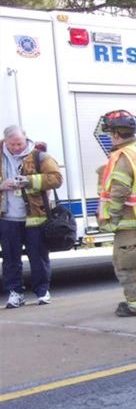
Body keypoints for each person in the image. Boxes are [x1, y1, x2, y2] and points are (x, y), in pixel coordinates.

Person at [96, 110, 136, 317]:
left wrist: (112, 216)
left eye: (109, 133)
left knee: (130, 266)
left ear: (115, 134)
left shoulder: (123, 157)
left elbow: (120, 189)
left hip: (129, 221)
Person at [1, 125, 63, 308]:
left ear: (25, 138)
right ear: (5, 141)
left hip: (35, 216)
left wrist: (30, 181)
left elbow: (56, 178)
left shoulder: (38, 156)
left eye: (19, 143)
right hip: (7, 217)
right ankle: (15, 293)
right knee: (10, 258)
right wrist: (2, 185)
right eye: (12, 144)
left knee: (39, 257)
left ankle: (42, 292)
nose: (17, 147)